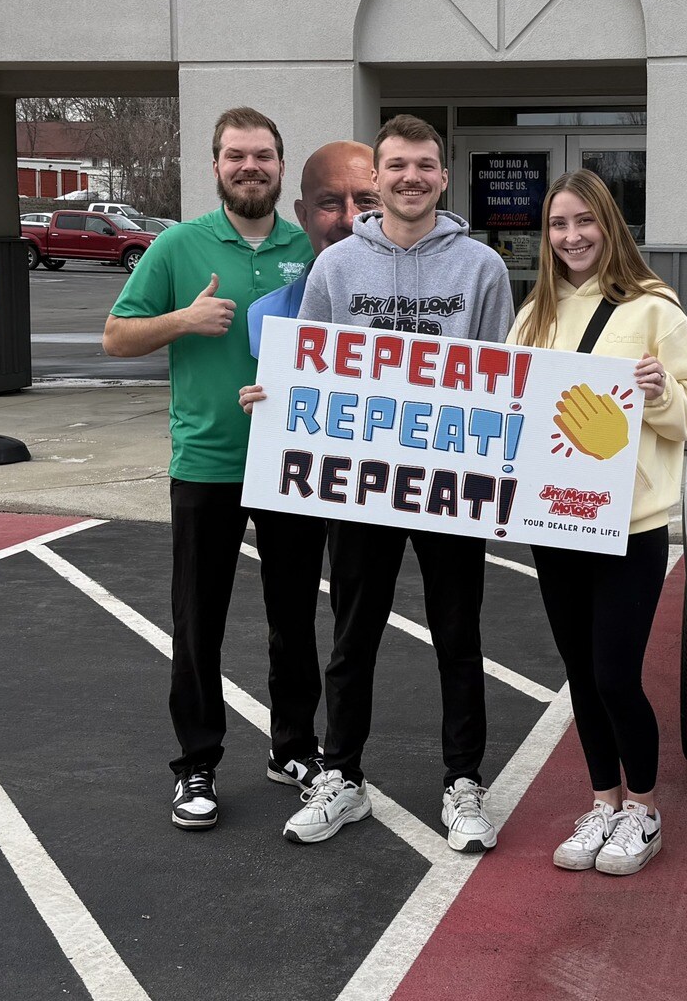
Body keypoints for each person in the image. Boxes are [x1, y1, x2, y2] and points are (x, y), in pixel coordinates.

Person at [243, 114, 514, 852]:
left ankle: (463, 783)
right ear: (380, 176)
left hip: (449, 481)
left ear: (443, 175)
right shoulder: (336, 269)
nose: (410, 178)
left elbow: (504, 381)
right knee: (352, 633)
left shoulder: (483, 269)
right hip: (361, 484)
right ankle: (343, 776)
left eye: (424, 165)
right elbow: (310, 369)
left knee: (459, 634)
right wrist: (276, 398)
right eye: (397, 166)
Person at [102, 106, 327, 831]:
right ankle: (195, 762)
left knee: (295, 616)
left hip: (293, 460)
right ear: (216, 165)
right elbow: (114, 337)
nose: (250, 166)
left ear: (281, 166)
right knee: (199, 620)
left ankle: (293, 746)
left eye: (262, 155)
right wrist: (182, 321)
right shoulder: (176, 245)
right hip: (208, 462)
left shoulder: (314, 248)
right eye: (236, 156)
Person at [507, 168, 687, 876]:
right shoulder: (532, 315)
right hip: (553, 521)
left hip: (630, 524)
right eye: (558, 225)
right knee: (580, 674)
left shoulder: (653, 308)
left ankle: (645, 809)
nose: (571, 237)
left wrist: (657, 394)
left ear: (609, 225)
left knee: (615, 672)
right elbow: (507, 408)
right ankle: (603, 800)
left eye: (583, 222)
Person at [247, 140, 379, 356]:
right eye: (330, 202)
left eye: (367, 201)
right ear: (304, 217)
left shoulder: (433, 309)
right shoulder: (266, 316)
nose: (350, 219)